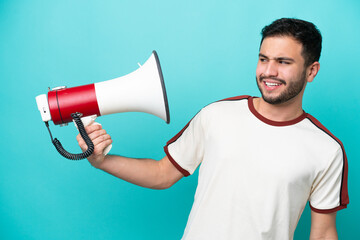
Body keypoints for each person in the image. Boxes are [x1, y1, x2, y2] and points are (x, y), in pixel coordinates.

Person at [77, 18, 349, 240]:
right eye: (263, 59)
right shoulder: (217, 115)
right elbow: (162, 174)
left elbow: (323, 234)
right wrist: (101, 161)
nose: (269, 71)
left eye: (283, 62)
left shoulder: (327, 149)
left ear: (311, 71)